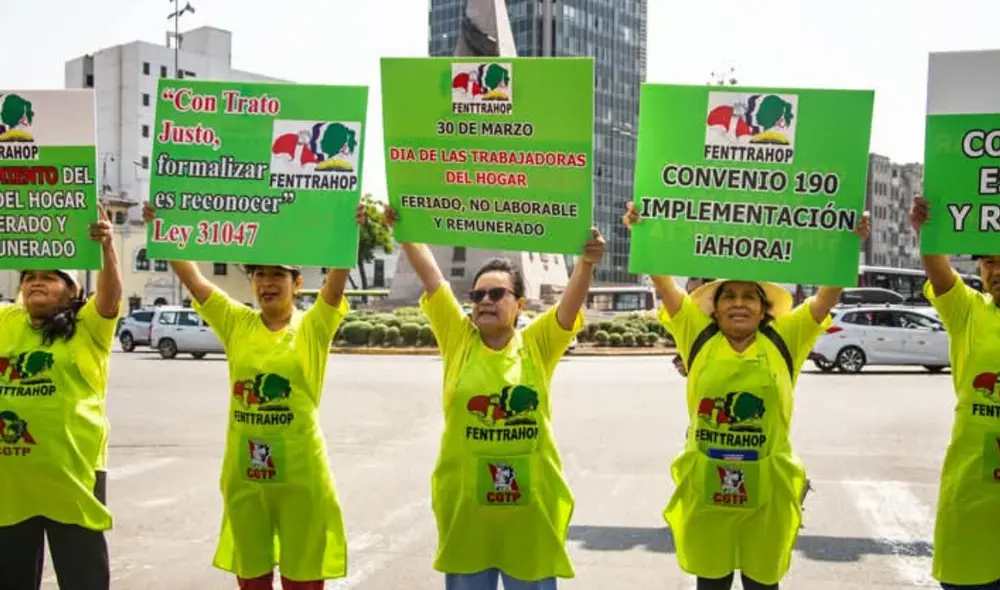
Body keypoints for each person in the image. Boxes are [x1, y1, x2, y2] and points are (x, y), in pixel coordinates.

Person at [623, 202, 869, 589]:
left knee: (762, 583)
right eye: (729, 296)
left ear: (763, 309)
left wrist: (849, 243)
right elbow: (664, 285)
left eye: (749, 297)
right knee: (712, 581)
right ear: (715, 310)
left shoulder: (787, 337)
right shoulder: (696, 335)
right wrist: (642, 233)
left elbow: (826, 298)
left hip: (769, 488)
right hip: (707, 484)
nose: (739, 303)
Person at [380, 205, 602, 590]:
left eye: (498, 293)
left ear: (520, 304)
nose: (485, 300)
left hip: (529, 513)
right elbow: (434, 280)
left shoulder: (538, 345)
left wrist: (585, 262)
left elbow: (569, 304)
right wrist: (405, 230)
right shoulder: (458, 340)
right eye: (478, 294)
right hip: (467, 512)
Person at [142, 202, 363, 590]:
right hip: (246, 476)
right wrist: (161, 227)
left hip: (301, 477)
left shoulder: (313, 326)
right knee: (252, 577)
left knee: (304, 577)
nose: (267, 282)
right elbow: (194, 280)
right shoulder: (236, 322)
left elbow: (334, 288)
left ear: (297, 283)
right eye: (260, 274)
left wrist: (348, 232)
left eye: (278, 274)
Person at [0, 206, 122, 590]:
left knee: (82, 576)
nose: (36, 283)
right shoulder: (7, 321)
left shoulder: (88, 326)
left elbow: (110, 295)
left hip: (73, 475)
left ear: (72, 290)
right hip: (12, 480)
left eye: (49, 278)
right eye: (29, 277)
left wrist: (106, 248)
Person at [909, 195, 1000, 590]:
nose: (995, 271)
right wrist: (927, 232)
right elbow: (941, 272)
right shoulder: (969, 311)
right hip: (972, 494)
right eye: (988, 262)